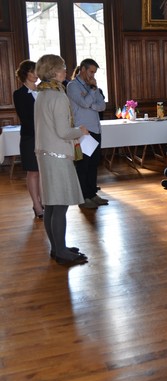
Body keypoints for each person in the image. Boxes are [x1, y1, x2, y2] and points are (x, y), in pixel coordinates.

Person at [34, 54, 89, 265]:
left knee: (52, 205)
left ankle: (58, 248)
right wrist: (80, 131)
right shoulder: (58, 96)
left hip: (46, 154)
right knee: (60, 205)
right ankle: (61, 252)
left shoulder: (43, 94)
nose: (66, 71)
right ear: (54, 71)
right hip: (57, 155)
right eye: (63, 68)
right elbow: (63, 131)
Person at [66, 58, 107, 209]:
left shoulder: (91, 86)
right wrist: (93, 91)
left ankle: (92, 194)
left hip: (95, 130)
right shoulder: (72, 86)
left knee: (94, 164)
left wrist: (91, 100)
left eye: (94, 72)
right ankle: (82, 197)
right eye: (91, 71)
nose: (92, 75)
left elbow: (102, 105)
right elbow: (84, 103)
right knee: (83, 165)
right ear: (82, 69)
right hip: (83, 131)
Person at [13, 59, 43, 218]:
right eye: (33, 71)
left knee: (43, 171)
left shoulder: (43, 91)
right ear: (25, 74)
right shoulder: (19, 94)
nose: (36, 74)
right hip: (30, 137)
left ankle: (44, 201)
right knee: (33, 171)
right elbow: (26, 118)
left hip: (45, 136)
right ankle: (36, 205)